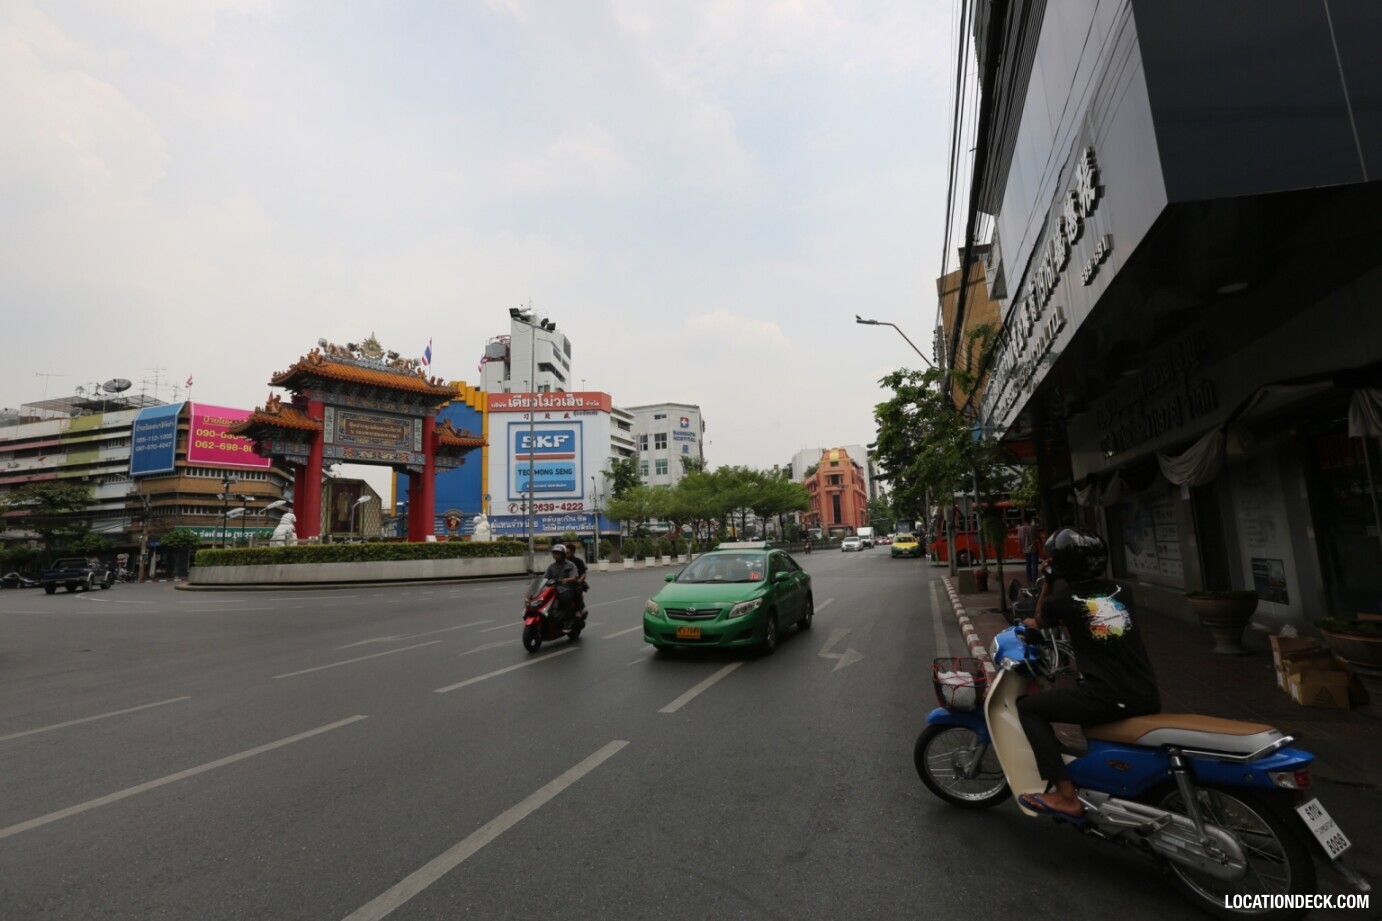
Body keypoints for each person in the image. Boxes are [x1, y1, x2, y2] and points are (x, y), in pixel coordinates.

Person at [1016, 527, 1160, 820]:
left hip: (1107, 694)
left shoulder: (1062, 601)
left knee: (1029, 709)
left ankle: (1066, 796)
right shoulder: (1123, 591)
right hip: (1145, 692)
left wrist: (1048, 582)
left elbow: (1038, 621)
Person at [543, 545, 580, 625]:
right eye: (554, 553)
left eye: (558, 553)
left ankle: (568, 620)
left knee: (566, 598)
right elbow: (545, 578)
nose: (556, 555)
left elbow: (574, 577)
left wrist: (566, 580)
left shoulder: (570, 565)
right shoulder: (551, 567)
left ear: (563, 554)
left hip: (566, 588)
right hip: (553, 589)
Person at [564, 541, 590, 620]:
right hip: (564, 583)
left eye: (568, 552)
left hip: (575, 583)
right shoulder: (562, 562)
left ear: (573, 552)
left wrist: (579, 580)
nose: (566, 554)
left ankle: (578, 610)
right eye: (565, 552)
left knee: (577, 590)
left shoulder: (578, 561)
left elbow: (583, 574)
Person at [1017, 514, 1041, 584]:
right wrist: (1041, 544)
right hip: (1033, 549)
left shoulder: (1020, 529)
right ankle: (1034, 579)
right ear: (1030, 520)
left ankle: (1029, 578)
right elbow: (1038, 537)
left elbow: (1019, 540)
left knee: (1028, 564)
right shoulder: (1033, 528)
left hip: (1025, 549)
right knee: (1034, 564)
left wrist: (1019, 548)